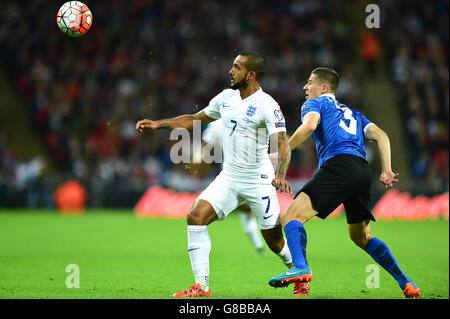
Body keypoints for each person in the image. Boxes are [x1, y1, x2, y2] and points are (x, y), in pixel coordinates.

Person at [136, 53, 296, 297]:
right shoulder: (225, 98)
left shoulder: (268, 105)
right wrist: (159, 124)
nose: (230, 71)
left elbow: (282, 144)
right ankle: (202, 286)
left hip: (259, 181)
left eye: (236, 67)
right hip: (229, 178)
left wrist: (281, 173)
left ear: (251, 75)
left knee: (275, 242)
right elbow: (195, 120)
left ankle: (298, 272)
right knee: (196, 217)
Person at [268, 67, 421, 298]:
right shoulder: (354, 114)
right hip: (361, 170)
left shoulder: (315, 104)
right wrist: (387, 169)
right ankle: (407, 283)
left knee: (290, 216)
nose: (305, 87)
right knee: (361, 237)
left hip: (338, 165)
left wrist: (285, 149)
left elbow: (309, 126)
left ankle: (300, 268)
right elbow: (382, 135)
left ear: (324, 88)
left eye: (310, 83)